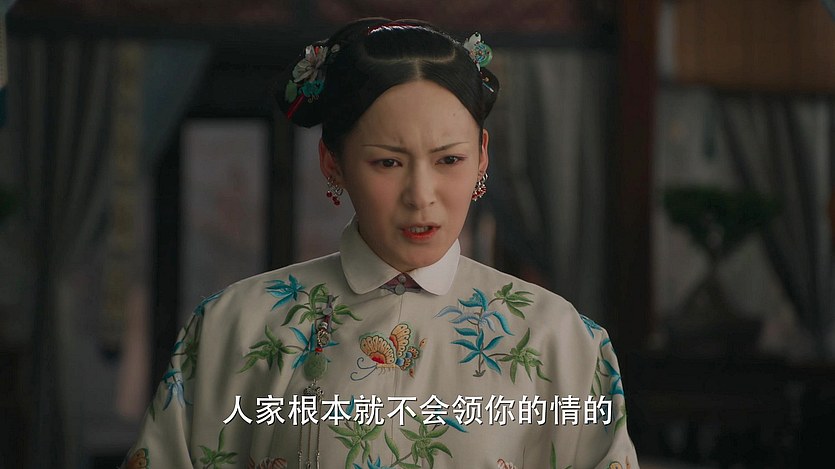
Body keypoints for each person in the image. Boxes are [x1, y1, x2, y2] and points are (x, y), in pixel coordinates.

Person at [123, 17, 639, 469]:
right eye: (388, 162)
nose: (421, 196)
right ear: (333, 162)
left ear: (482, 155)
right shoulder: (236, 327)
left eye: (449, 160)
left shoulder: (559, 340)